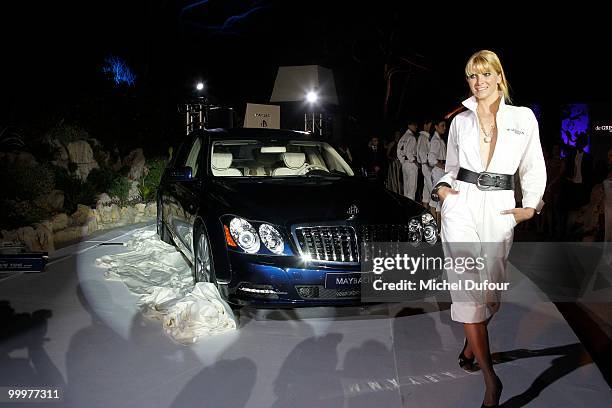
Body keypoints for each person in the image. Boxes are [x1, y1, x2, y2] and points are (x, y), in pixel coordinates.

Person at [430, 50, 546, 407]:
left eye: (484, 74)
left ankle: (469, 349)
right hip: (461, 204)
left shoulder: (522, 117)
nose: (477, 82)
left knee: (490, 294)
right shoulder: (461, 121)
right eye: (471, 76)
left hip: (499, 207)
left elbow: (533, 165)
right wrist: (443, 191)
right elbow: (450, 166)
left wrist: (530, 207)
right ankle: (490, 379)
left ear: (498, 76)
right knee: (468, 292)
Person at [428, 119, 447, 225]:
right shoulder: (435, 140)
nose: (444, 127)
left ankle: (437, 226)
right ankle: (437, 227)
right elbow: (431, 158)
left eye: (445, 125)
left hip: (440, 170)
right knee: (437, 198)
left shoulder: (439, 139)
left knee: (437, 199)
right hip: (438, 171)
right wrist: (442, 166)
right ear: (436, 127)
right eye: (442, 125)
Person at [397, 120, 418, 200]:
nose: (416, 127)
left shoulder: (403, 137)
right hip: (411, 163)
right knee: (412, 189)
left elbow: (398, 151)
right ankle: (411, 209)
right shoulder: (411, 137)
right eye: (414, 125)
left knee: (406, 188)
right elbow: (409, 152)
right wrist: (415, 161)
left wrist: (402, 161)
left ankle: (406, 207)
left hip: (404, 164)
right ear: (409, 125)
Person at [417, 120, 434, 208]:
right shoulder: (423, 137)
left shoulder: (425, 137)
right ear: (425, 125)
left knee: (427, 188)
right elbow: (421, 152)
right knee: (432, 187)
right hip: (427, 166)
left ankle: (424, 207)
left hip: (426, 165)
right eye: (430, 125)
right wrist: (428, 164)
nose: (431, 127)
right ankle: (435, 210)